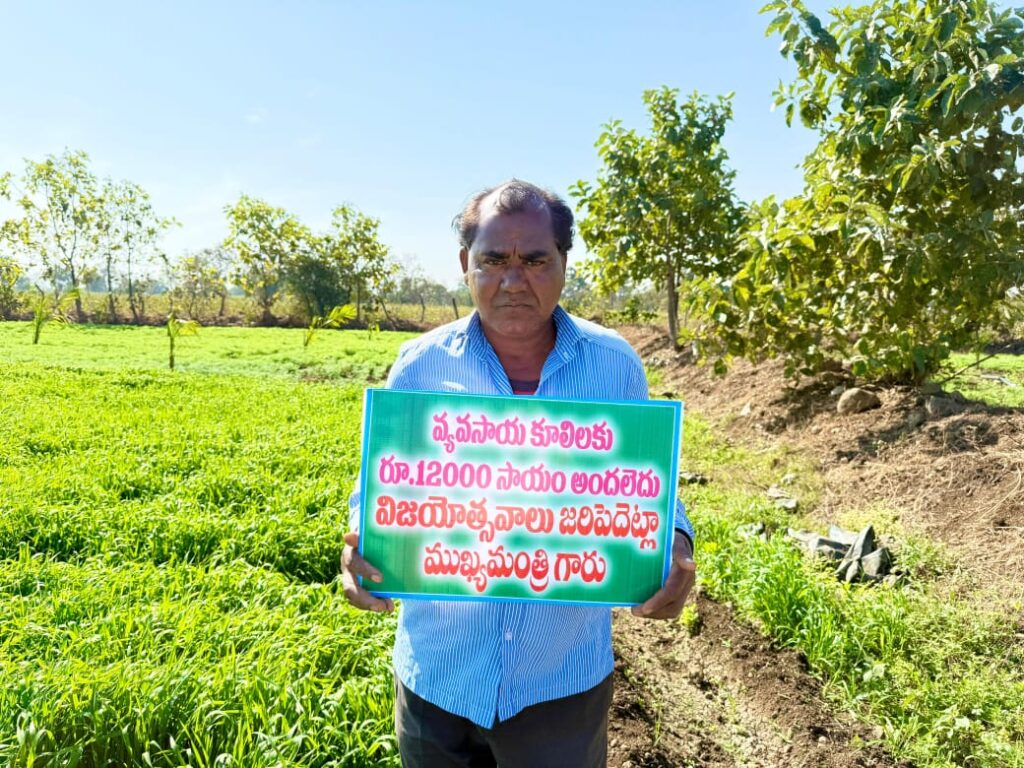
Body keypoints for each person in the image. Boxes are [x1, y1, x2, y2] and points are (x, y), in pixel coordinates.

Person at [341, 180, 696, 768]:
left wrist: (673, 542)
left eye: (534, 260)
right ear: (465, 265)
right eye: (493, 260)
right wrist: (359, 546)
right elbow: (379, 488)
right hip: (439, 673)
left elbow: (646, 486)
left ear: (563, 264)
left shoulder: (613, 366)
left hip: (558, 681)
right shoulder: (421, 365)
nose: (513, 280)